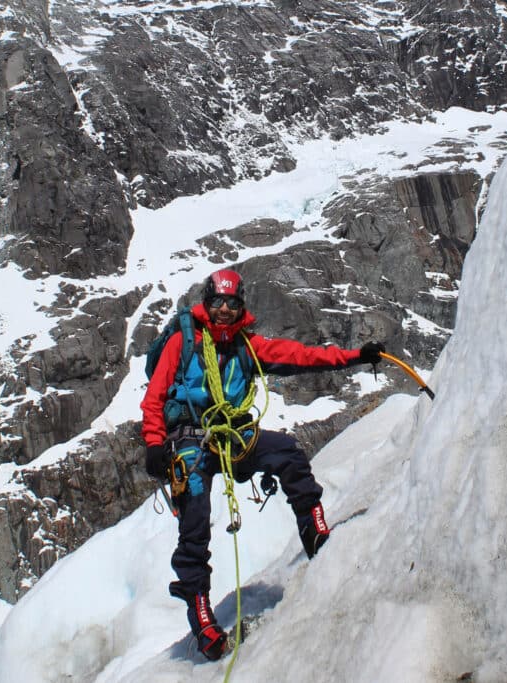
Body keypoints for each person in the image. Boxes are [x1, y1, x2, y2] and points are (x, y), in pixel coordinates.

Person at [141, 268, 385, 661]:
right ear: (206, 303)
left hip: (231, 434)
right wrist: (155, 444)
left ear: (241, 308)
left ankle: (314, 530)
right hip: (190, 439)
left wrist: (355, 357)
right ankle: (199, 612)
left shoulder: (247, 347)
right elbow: (154, 398)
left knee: (287, 452)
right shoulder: (183, 343)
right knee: (195, 514)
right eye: (217, 302)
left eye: (231, 304)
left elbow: (301, 357)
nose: (223, 310)